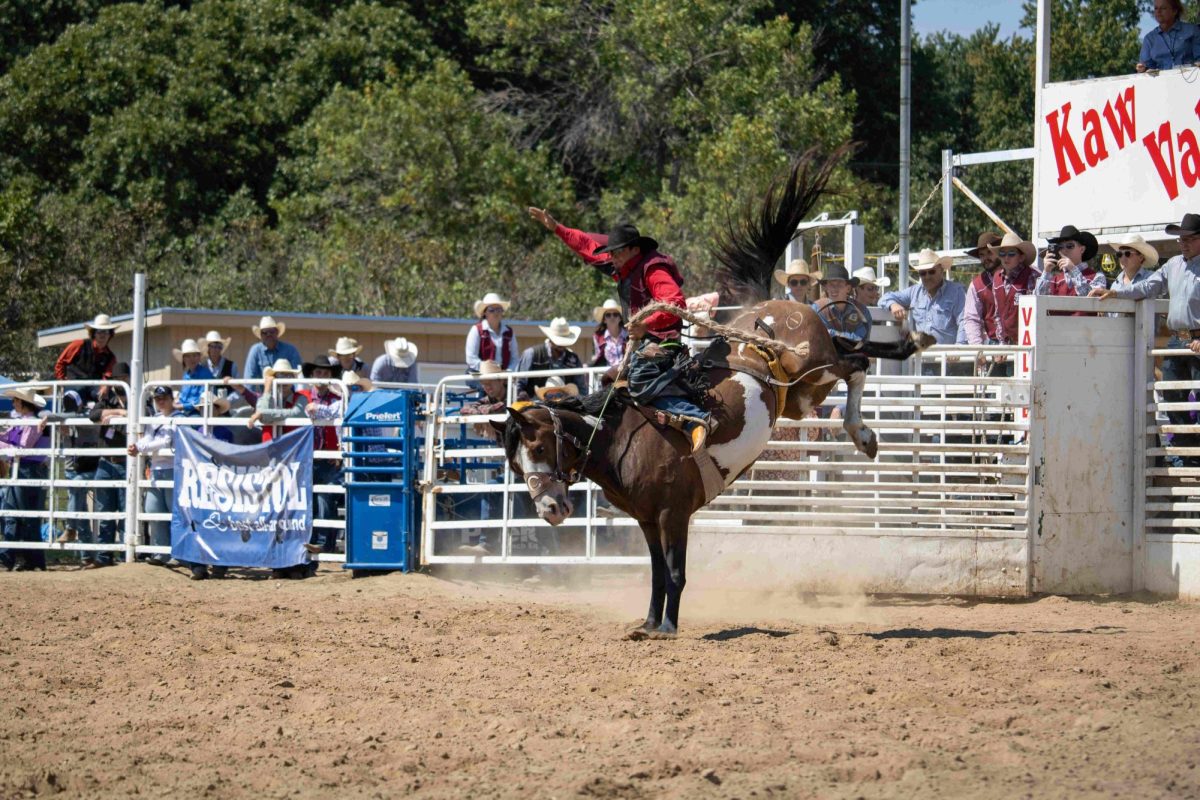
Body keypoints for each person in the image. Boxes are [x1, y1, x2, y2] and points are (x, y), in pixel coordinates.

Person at [527, 209, 711, 451]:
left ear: (634, 249)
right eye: (611, 252)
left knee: (639, 379)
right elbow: (586, 245)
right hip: (642, 343)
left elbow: (674, 304)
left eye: (616, 252)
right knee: (611, 381)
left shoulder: (652, 269)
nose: (611, 257)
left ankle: (693, 419)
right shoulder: (622, 266)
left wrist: (646, 324)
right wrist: (557, 228)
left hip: (663, 342)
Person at [1096, 213, 1200, 460]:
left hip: (1197, 339)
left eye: (1190, 238)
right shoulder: (1174, 264)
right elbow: (1149, 286)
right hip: (1178, 339)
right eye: (1181, 239)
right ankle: (1188, 455)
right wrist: (1117, 293)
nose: (1183, 243)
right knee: (1171, 394)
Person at [127, 386, 189, 570]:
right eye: (157, 398)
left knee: (174, 513)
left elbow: (167, 442)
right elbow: (148, 439)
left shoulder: (180, 419)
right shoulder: (154, 419)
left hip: (173, 468)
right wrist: (137, 445)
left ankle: (179, 553)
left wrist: (141, 448)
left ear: (171, 399)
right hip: (156, 468)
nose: (160, 401)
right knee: (154, 510)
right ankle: (161, 552)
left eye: (163, 398)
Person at [974, 232, 1041, 376]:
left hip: (1028, 346)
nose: (1006, 258)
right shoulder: (998, 278)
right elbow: (998, 315)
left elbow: (1037, 314)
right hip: (1007, 344)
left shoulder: (1033, 276)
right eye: (1002, 254)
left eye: (1011, 253)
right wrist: (1002, 344)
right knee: (999, 390)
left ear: (1021, 257)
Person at [0, 388, 50, 572]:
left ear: (22, 403)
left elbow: (24, 447)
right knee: (13, 513)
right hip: (21, 468)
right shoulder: (21, 422)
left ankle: (28, 558)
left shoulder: (31, 422)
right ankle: (12, 557)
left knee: (24, 515)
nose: (13, 403)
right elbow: (7, 439)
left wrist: (2, 446)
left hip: (28, 469)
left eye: (15, 401)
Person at [299, 355, 345, 555]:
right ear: (311, 374)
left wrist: (337, 451)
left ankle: (325, 541)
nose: (321, 376)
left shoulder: (336, 400)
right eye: (318, 372)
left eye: (325, 373)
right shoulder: (302, 396)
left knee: (326, 496)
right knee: (310, 497)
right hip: (306, 455)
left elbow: (337, 428)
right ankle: (313, 539)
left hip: (328, 455)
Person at [88, 362, 132, 568]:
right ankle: (105, 556)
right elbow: (94, 416)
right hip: (106, 461)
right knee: (105, 510)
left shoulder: (136, 397)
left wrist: (117, 414)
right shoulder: (107, 398)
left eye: (124, 378)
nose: (121, 381)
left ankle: (125, 556)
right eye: (118, 378)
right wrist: (116, 413)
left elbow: (143, 414)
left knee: (126, 511)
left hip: (125, 462)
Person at [881, 249, 968, 345]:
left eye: (931, 271)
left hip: (947, 356)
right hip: (922, 357)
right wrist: (893, 305)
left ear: (941, 270)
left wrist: (958, 348)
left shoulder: (956, 291)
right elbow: (884, 298)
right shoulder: (914, 292)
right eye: (923, 273)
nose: (927, 277)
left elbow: (964, 321)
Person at [515, 318, 586, 400]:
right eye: (559, 341)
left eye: (564, 342)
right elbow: (519, 384)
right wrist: (522, 397)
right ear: (550, 339)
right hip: (535, 404)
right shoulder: (531, 354)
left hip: (564, 405)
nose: (561, 345)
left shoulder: (573, 359)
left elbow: (581, 389)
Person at [55, 313, 118, 401]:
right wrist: (62, 382)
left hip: (94, 387)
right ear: (94, 334)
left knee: (111, 398)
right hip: (74, 384)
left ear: (110, 335)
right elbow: (61, 362)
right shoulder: (78, 344)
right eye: (99, 331)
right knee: (73, 399)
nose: (102, 335)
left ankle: (107, 412)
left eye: (106, 331)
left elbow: (108, 376)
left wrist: (105, 387)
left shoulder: (111, 357)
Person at [1035, 224, 1107, 300]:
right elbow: (1037, 301)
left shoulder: (1097, 276)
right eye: (1060, 247)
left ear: (1082, 249)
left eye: (1069, 246)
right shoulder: (1053, 280)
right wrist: (1046, 271)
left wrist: (1073, 270)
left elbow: (1092, 301)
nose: (1064, 250)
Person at [812, 265, 873, 353]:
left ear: (848, 288)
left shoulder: (862, 311)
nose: (834, 289)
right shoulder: (817, 309)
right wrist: (848, 337)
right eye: (831, 284)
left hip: (853, 359)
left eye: (839, 284)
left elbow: (860, 340)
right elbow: (818, 338)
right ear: (826, 288)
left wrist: (833, 333)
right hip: (825, 360)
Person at [962, 232, 1004, 346]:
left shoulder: (1023, 275)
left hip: (1022, 341)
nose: (986, 258)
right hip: (993, 344)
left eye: (989, 252)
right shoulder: (976, 285)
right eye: (981, 255)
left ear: (1000, 252)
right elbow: (971, 319)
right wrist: (977, 349)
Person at [1137, 0, 1199, 72]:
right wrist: (1143, 69)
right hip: (1161, 82)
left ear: (1175, 11)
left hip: (1190, 81)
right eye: (1156, 8)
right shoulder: (1149, 39)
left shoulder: (1192, 31)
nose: (1158, 11)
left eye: (1163, 8)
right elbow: (1145, 70)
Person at [465, 293, 519, 374]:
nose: (496, 313)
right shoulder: (476, 330)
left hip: (504, 377)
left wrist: (508, 372)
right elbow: (471, 359)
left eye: (499, 309)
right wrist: (489, 369)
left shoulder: (509, 332)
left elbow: (514, 359)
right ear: (485, 313)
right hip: (479, 375)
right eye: (491, 310)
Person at [243, 315, 303, 386]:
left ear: (277, 332)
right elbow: (249, 380)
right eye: (264, 332)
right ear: (260, 335)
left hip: (288, 394)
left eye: (272, 331)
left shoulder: (290, 350)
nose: (268, 334)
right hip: (265, 394)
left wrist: (296, 396)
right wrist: (253, 397)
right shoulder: (255, 351)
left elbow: (297, 376)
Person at [172, 338, 215, 415]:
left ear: (199, 357)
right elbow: (184, 397)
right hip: (184, 411)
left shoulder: (205, 374)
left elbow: (202, 399)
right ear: (184, 359)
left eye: (195, 355)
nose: (192, 359)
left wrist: (181, 406)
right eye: (188, 356)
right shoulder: (186, 375)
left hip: (199, 412)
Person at [200, 330, 240, 405]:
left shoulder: (231, 365)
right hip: (206, 407)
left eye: (219, 347)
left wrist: (226, 401)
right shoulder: (202, 366)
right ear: (208, 348)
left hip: (227, 408)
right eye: (213, 346)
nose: (216, 349)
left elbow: (238, 390)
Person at [591, 299, 628, 369]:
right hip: (606, 376)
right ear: (604, 320)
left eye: (615, 314)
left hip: (626, 375)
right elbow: (597, 358)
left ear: (620, 318)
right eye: (608, 315)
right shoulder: (598, 337)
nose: (612, 317)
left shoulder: (629, 335)